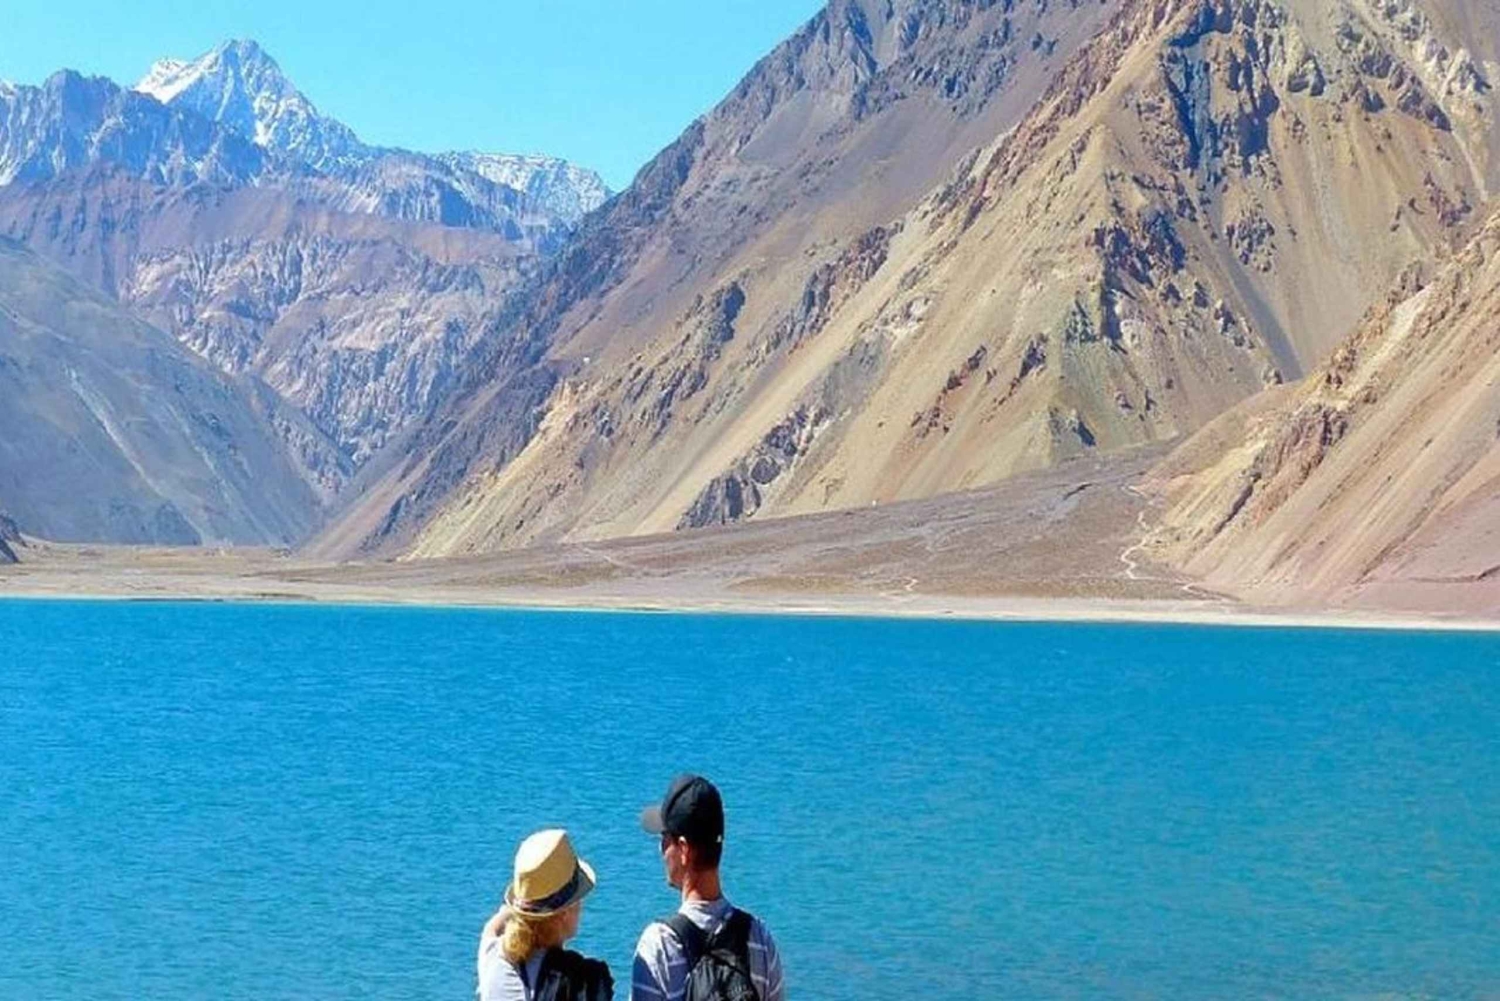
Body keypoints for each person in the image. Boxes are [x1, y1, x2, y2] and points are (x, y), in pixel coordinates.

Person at [631, 775, 785, 1001]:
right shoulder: (759, 939)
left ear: (683, 849)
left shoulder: (660, 946)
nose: (661, 850)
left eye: (665, 839)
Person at [478, 829, 614, 1001]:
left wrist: (521, 909)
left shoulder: (492, 959)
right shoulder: (584, 983)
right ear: (564, 912)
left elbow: (491, 928)